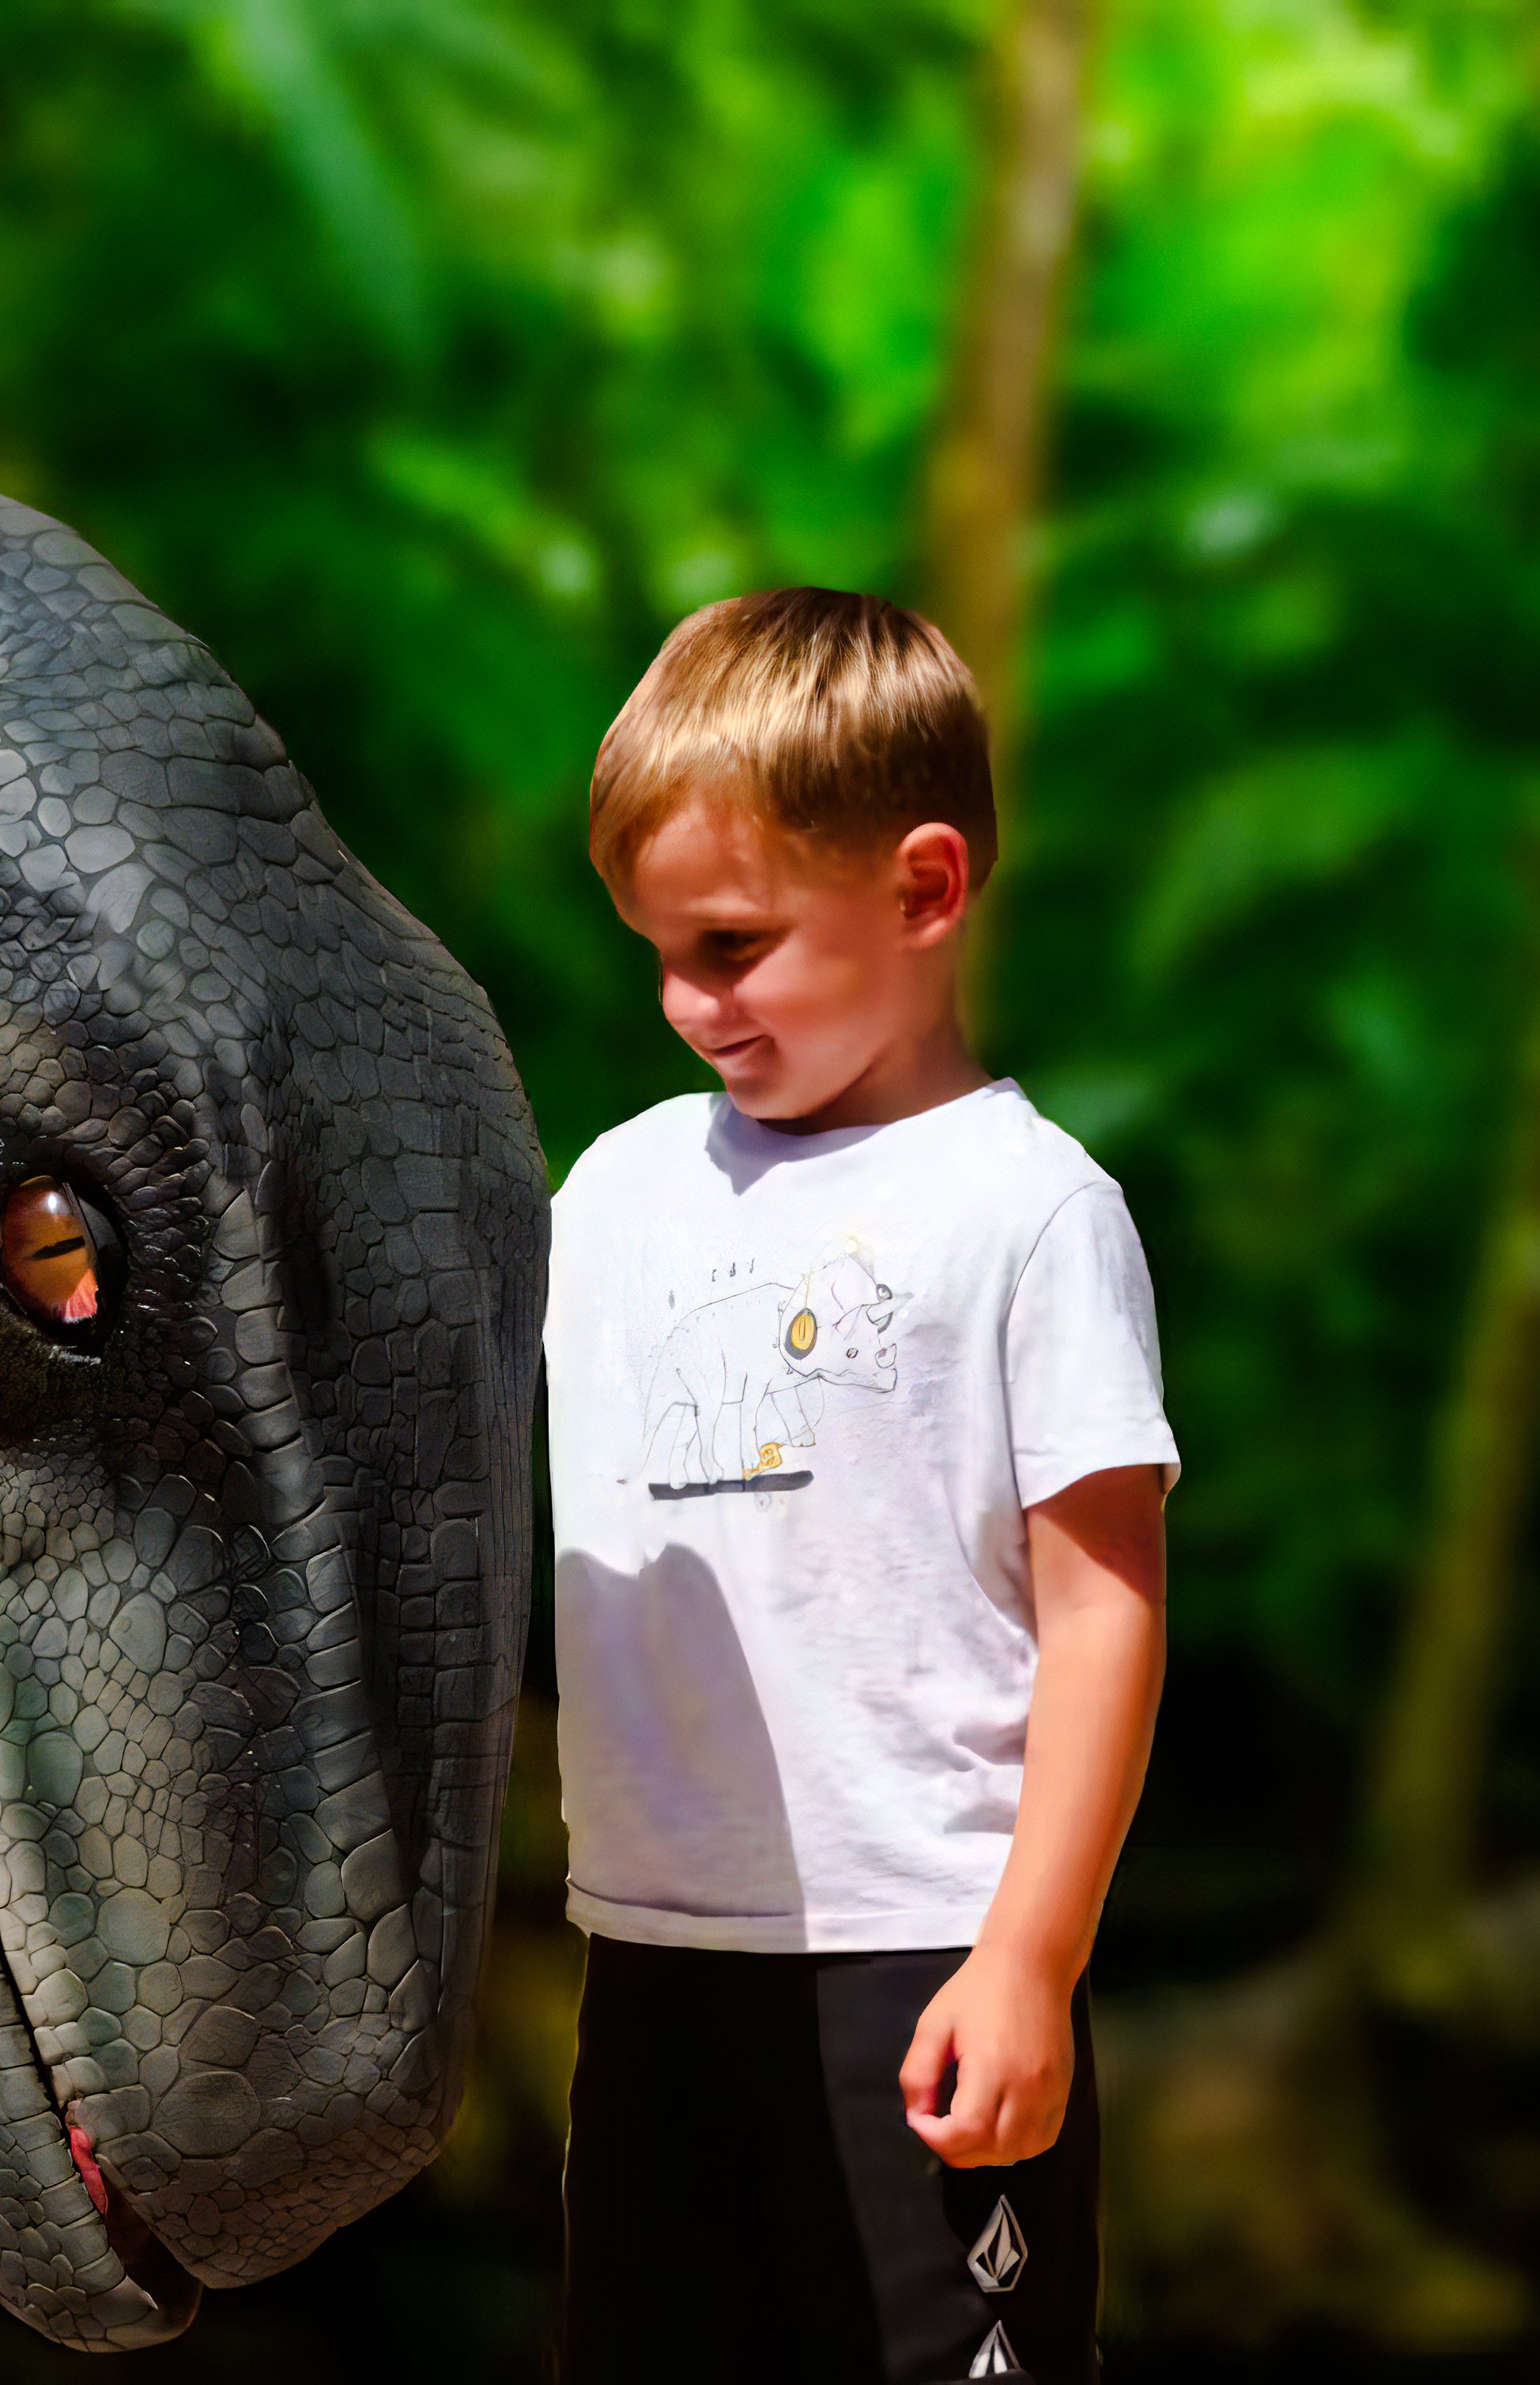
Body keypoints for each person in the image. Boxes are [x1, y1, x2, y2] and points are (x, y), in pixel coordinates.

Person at [548, 588, 1178, 2384]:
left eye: (732, 945)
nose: (687, 1004)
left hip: (926, 1961)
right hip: (653, 1960)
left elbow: (1102, 1603)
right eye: (656, 951)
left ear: (919, 890)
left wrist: (1030, 1960)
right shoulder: (613, 1190)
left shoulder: (1026, 1207)